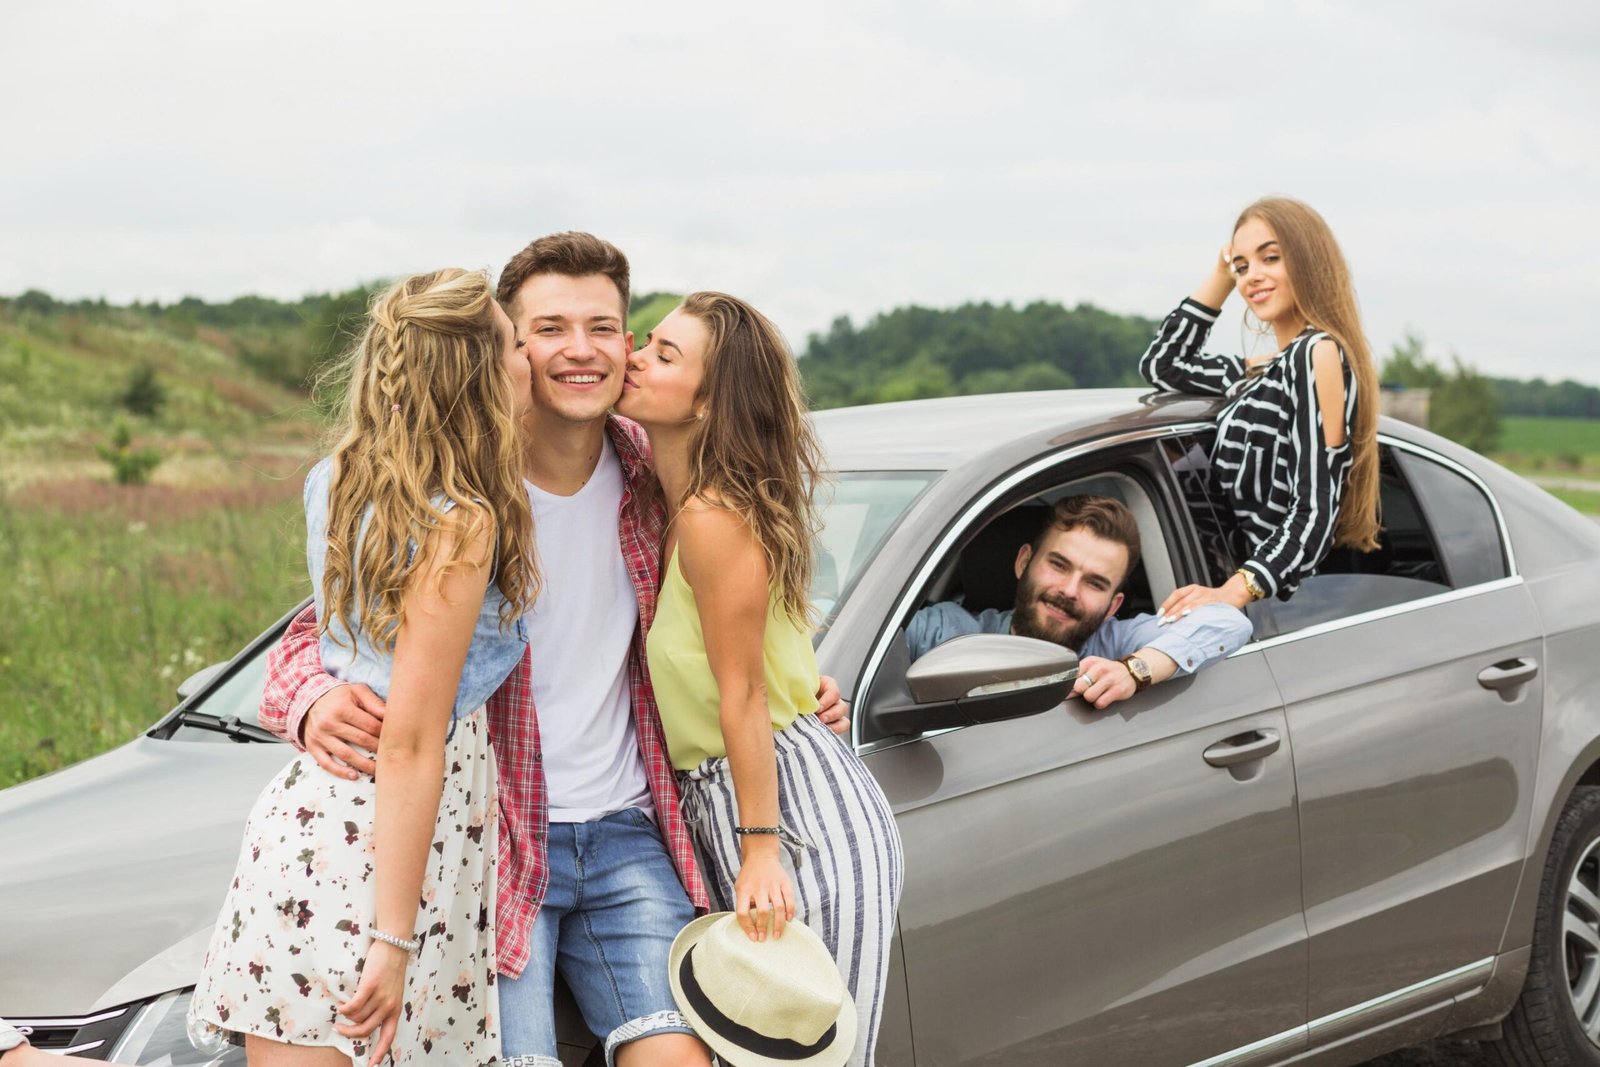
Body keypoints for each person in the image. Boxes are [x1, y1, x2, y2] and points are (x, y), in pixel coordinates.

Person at [259, 234, 848, 1067]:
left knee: (685, 1055)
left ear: (628, 344)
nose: (581, 349)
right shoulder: (459, 492)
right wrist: (308, 698)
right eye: (550, 328)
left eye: (605, 326)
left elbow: (735, 618)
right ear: (511, 347)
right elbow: (329, 630)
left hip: (630, 832)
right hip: (495, 842)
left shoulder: (656, 477)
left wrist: (801, 689)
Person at [187, 269, 537, 1065]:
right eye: (515, 344)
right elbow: (411, 740)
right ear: (479, 375)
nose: (530, 361)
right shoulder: (463, 524)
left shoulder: (336, 480)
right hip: (379, 853)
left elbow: (339, 644)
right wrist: (392, 934)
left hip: (310, 825)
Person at [618, 292, 903, 1067]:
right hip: (737, 803)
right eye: (648, 341)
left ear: (708, 403)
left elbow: (743, 693)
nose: (636, 356)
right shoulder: (660, 505)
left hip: (792, 814)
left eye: (666, 355)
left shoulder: (714, 515)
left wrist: (761, 847)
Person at [1138, 196, 1381, 616]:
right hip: (1216, 587)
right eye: (1243, 266)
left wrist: (1233, 592)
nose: (1253, 277)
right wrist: (1220, 275)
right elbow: (1164, 364)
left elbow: (1314, 511)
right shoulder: (1260, 373)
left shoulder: (1316, 354)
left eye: (1271, 258)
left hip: (1267, 604)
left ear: (1309, 261)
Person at [906, 495, 1252, 708]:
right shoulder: (944, 631)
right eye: (1058, 565)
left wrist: (1132, 671)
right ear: (1023, 562)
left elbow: (1229, 622)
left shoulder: (1115, 645)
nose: (1069, 591)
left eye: (1094, 583)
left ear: (1113, 606)